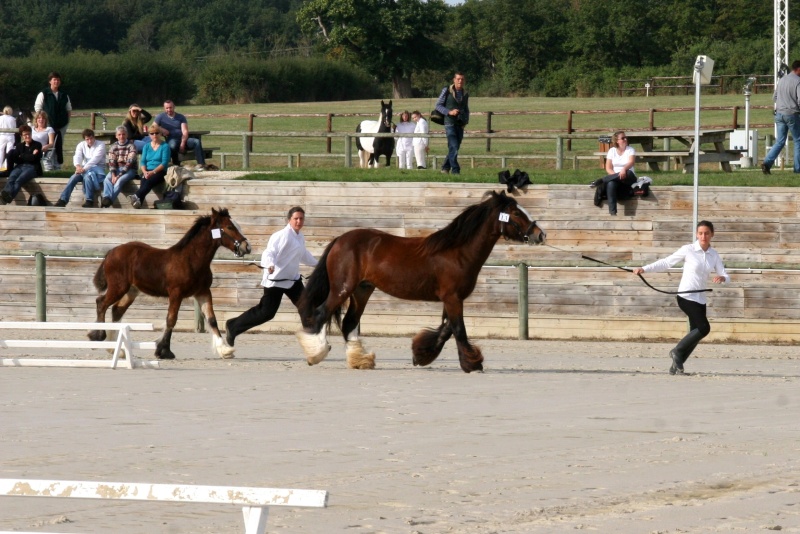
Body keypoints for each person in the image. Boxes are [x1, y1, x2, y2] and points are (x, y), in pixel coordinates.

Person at [632, 221, 729, 375]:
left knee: (694, 333)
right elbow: (666, 262)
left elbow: (724, 273)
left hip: (700, 299)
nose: (703, 236)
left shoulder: (714, 254)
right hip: (686, 296)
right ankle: (677, 351)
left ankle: (676, 367)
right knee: (704, 328)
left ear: (712, 235)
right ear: (697, 234)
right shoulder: (688, 250)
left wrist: (722, 278)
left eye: (706, 233)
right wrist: (644, 269)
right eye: (700, 233)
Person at [225, 207, 318, 347]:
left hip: (292, 280)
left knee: (307, 308)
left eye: (301, 218)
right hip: (275, 281)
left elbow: (304, 255)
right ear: (289, 220)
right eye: (296, 218)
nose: (299, 221)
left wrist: (319, 265)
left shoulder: (300, 236)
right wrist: (270, 264)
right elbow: (269, 253)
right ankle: (233, 326)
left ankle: (313, 341)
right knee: (266, 313)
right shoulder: (282, 235)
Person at [762, 60, 800, 174]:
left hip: (779, 114)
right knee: (798, 140)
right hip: (792, 114)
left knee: (780, 141)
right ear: (798, 69)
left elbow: (774, 97)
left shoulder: (782, 80)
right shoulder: (798, 81)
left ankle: (767, 163)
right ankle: (798, 169)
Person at [54, 129, 106, 208]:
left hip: (97, 169)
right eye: (87, 139)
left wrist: (83, 169)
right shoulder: (81, 145)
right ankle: (63, 199)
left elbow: (95, 159)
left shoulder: (101, 145)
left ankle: (89, 200)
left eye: (91, 138)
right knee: (73, 177)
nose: (89, 141)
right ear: (84, 139)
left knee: (88, 177)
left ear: (94, 137)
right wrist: (78, 166)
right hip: (84, 169)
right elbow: (77, 156)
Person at [590, 130, 637, 216]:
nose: (625, 139)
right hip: (615, 177)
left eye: (626, 137)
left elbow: (631, 163)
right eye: (623, 138)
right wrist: (615, 176)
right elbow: (608, 168)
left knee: (629, 173)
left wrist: (624, 169)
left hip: (628, 177)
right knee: (611, 183)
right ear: (617, 141)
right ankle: (613, 213)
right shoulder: (612, 151)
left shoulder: (630, 150)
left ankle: (602, 180)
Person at [153, 100, 206, 171]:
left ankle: (201, 164)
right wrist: (162, 129)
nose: (169, 110)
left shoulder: (180, 117)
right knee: (172, 145)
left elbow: (184, 130)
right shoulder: (160, 116)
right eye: (167, 108)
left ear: (174, 107)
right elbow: (153, 126)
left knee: (196, 141)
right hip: (171, 138)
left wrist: (183, 143)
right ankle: (176, 164)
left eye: (170, 107)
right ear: (164, 108)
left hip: (183, 138)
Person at [34, 72, 71, 170]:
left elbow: (69, 109)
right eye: (54, 79)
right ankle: (48, 167)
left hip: (61, 125)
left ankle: (57, 166)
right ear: (50, 81)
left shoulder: (64, 95)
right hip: (48, 125)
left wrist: (66, 122)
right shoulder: (43, 94)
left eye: (58, 80)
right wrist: (42, 122)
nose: (56, 81)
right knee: (49, 145)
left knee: (59, 145)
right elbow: (38, 108)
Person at [434, 72, 469, 175]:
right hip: (449, 123)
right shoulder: (447, 91)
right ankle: (455, 170)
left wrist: (465, 121)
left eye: (462, 79)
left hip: (460, 123)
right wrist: (449, 112)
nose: (460, 81)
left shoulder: (465, 93)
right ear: (454, 80)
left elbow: (466, 109)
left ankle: (445, 167)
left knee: (455, 147)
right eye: (458, 79)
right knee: (453, 146)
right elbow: (438, 106)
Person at [129, 124, 170, 209]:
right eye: (152, 133)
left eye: (157, 133)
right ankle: (138, 203)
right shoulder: (146, 146)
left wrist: (153, 172)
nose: (154, 135)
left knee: (147, 181)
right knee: (144, 180)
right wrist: (144, 171)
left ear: (160, 134)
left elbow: (164, 163)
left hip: (160, 171)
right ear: (149, 135)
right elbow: (143, 161)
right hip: (147, 170)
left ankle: (136, 195)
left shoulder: (165, 146)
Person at [0, 125, 42, 204]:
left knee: (19, 180)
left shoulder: (37, 144)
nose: (27, 136)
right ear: (21, 136)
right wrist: (30, 155)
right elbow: (18, 159)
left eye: (29, 134)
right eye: (25, 135)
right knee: (12, 177)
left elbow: (34, 159)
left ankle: (7, 198)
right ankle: (5, 194)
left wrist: (22, 155)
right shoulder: (19, 146)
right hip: (20, 166)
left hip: (32, 167)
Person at [101, 126, 138, 208]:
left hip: (129, 170)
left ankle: (108, 202)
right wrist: (113, 174)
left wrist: (118, 176)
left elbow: (129, 163)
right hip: (117, 169)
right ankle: (106, 197)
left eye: (123, 134)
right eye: (119, 134)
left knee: (119, 181)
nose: (122, 136)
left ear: (127, 135)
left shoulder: (132, 146)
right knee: (107, 179)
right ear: (116, 136)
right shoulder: (113, 147)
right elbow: (111, 162)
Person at [0, 106, 17, 171]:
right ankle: (7, 166)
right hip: (10, 136)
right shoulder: (13, 119)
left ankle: (0, 165)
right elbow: (14, 127)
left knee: (0, 151)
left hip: (2, 135)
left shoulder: (0, 118)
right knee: (9, 152)